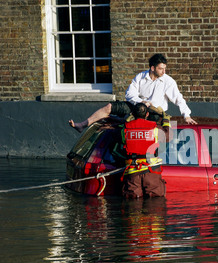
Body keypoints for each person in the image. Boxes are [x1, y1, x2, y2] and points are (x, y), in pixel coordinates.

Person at [69, 53, 197, 133]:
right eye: (160, 68)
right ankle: (84, 124)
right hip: (137, 106)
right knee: (109, 107)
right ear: (152, 68)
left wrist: (186, 115)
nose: (164, 71)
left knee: (137, 127)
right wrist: (141, 102)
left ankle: (113, 121)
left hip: (154, 113)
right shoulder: (140, 77)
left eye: (165, 68)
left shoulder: (168, 81)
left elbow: (178, 99)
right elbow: (129, 93)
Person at [121, 103, 172, 199]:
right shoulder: (154, 127)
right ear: (147, 114)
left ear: (133, 114)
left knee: (133, 205)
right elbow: (167, 137)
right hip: (151, 171)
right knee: (155, 204)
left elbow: (121, 140)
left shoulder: (125, 128)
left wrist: (127, 121)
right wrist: (166, 121)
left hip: (133, 173)